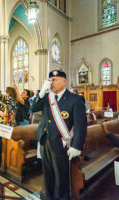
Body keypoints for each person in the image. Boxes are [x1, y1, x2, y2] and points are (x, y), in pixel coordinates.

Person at [32, 70, 87, 200]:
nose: (52, 83)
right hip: (45, 140)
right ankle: (49, 197)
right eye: (50, 80)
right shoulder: (46, 97)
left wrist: (76, 146)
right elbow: (33, 108)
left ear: (64, 81)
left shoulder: (75, 99)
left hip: (61, 142)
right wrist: (40, 94)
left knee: (61, 176)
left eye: (55, 80)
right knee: (48, 174)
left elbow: (80, 125)